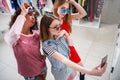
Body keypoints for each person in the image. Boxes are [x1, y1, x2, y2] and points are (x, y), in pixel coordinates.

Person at [40, 14, 107, 80]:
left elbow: (71, 45)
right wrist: (89, 72)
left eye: (60, 25)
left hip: (69, 65)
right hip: (61, 71)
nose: (59, 29)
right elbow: (63, 60)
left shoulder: (58, 34)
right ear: (46, 28)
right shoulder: (46, 46)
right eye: (56, 27)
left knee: (72, 76)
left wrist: (66, 34)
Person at [4, 2, 47, 80]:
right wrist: (23, 13)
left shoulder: (36, 34)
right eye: (30, 14)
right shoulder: (15, 39)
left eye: (34, 15)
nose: (33, 17)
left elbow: (47, 41)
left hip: (42, 67)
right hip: (30, 74)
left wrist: (44, 54)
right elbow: (12, 35)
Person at [53, 0, 87, 79]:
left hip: (70, 49)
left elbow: (83, 13)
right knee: (70, 75)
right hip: (61, 52)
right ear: (56, 7)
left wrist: (73, 3)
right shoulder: (51, 21)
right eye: (62, 9)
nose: (64, 12)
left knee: (82, 69)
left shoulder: (66, 18)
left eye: (67, 10)